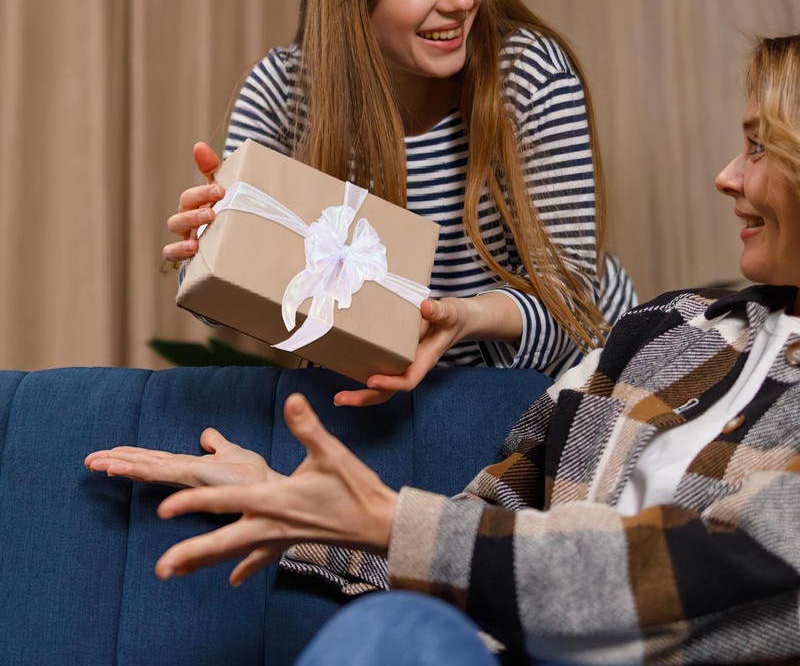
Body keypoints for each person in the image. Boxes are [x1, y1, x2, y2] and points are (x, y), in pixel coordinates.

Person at [88, 34, 800, 665]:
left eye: (758, 147)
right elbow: (477, 536)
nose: (727, 176)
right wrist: (284, 499)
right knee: (402, 630)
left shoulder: (529, 76)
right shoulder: (661, 329)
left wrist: (385, 521)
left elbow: (690, 580)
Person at [162, 0, 635, 406]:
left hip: (571, 383)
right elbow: (217, 302)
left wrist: (463, 316)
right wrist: (207, 246)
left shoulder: (528, 76)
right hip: (396, 396)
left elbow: (572, 310)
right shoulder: (283, 91)